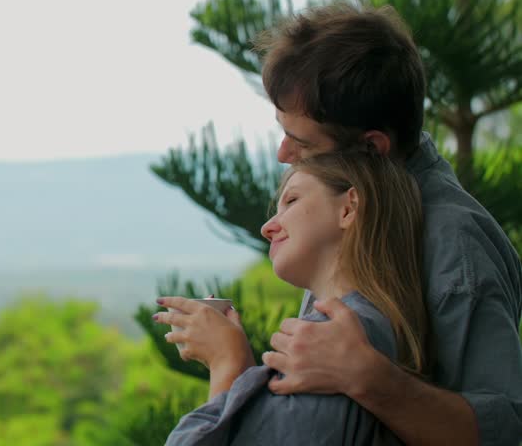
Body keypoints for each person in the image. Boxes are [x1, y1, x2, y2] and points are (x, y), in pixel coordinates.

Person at [159, 2, 522, 445]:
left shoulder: (453, 247)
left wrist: (371, 378)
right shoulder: (355, 211)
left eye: (302, 141)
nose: (283, 155)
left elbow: (505, 428)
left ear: (372, 148)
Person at [157, 149, 424, 444]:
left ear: (348, 208)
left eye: (292, 200)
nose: (267, 227)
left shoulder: (335, 342)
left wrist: (226, 362)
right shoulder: (376, 329)